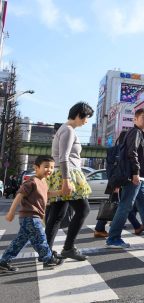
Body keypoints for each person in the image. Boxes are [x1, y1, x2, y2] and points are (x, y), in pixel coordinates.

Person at [105, 108, 144, 249]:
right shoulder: (135, 133)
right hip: (134, 176)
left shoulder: (142, 134)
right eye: (143, 118)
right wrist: (135, 172)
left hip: (142, 177)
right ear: (135, 119)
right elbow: (131, 153)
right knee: (125, 206)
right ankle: (113, 238)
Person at [45, 102, 94, 261]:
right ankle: (68, 248)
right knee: (83, 210)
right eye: (86, 118)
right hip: (67, 175)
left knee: (56, 215)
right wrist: (66, 181)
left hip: (64, 174)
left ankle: (46, 251)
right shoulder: (68, 130)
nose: (86, 121)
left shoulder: (65, 129)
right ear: (80, 115)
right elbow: (63, 157)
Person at [0, 156, 64, 272]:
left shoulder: (43, 181)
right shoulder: (31, 182)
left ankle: (3, 262)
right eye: (46, 167)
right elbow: (19, 195)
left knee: (19, 242)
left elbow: (47, 194)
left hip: (33, 217)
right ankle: (48, 259)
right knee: (41, 239)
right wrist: (11, 212)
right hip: (30, 217)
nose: (49, 170)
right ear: (36, 167)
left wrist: (60, 192)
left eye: (52, 167)